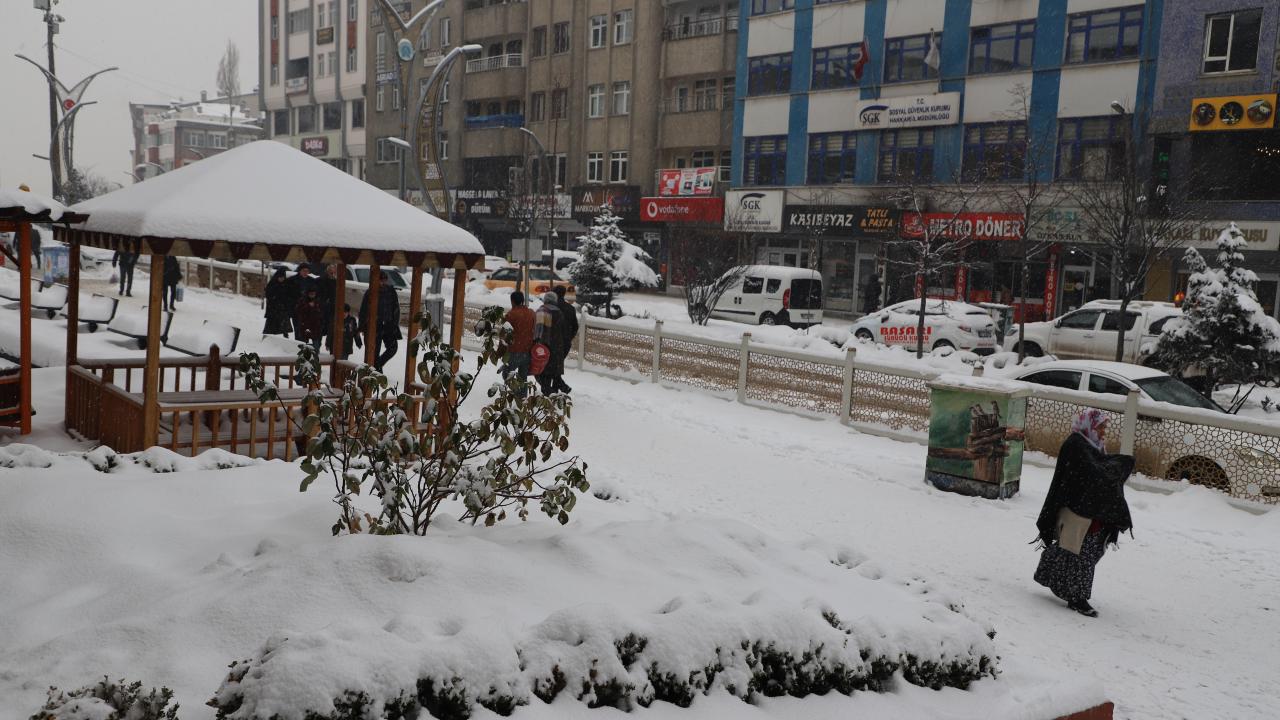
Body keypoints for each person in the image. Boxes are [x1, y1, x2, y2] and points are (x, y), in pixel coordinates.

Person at [1033, 408, 1135, 618]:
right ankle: (1077, 598)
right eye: (1101, 427)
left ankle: (1048, 574)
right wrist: (1116, 466)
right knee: (1079, 554)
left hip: (1092, 510)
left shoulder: (1095, 446)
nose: (1104, 431)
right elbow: (1092, 473)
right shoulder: (1075, 445)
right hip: (1075, 510)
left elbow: (1100, 472)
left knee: (1081, 551)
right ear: (1089, 426)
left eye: (1105, 427)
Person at [360, 272, 402, 371]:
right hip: (375, 326)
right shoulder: (370, 292)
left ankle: (378, 364)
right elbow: (363, 311)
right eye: (380, 280)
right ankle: (376, 370)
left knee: (393, 347)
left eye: (384, 280)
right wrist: (362, 326)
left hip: (388, 325)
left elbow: (396, 308)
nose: (382, 282)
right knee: (374, 350)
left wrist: (394, 324)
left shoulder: (391, 291)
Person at [502, 291, 536, 396]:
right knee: (523, 377)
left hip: (514, 350)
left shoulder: (511, 315)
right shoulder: (531, 313)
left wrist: (500, 352)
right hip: (527, 350)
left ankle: (516, 394)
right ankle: (522, 398)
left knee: (507, 373)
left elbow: (504, 335)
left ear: (512, 301)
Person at [533, 291, 566, 394]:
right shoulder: (559, 312)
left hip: (545, 346)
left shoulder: (542, 310)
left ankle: (549, 394)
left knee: (542, 372)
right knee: (553, 371)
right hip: (558, 346)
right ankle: (560, 389)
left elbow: (538, 330)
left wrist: (535, 343)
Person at [552, 285, 578, 393]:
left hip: (552, 342)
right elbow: (575, 327)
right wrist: (568, 338)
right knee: (556, 367)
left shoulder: (551, 308)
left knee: (551, 367)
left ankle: (561, 388)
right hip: (565, 343)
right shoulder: (570, 309)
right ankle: (555, 390)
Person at [263, 267, 294, 336]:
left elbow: (289, 296)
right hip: (273, 308)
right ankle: (269, 336)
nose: (281, 279)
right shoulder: (272, 284)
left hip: (283, 308)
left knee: (284, 326)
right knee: (271, 325)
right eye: (280, 277)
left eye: (283, 277)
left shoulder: (286, 285)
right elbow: (269, 295)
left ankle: (285, 336)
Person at [294, 286, 326, 351]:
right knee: (304, 345)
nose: (312, 295)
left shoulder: (318, 301)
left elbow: (322, 312)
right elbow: (298, 311)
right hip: (305, 326)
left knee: (316, 346)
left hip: (316, 326)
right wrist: (308, 306)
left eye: (314, 294)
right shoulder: (302, 301)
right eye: (311, 294)